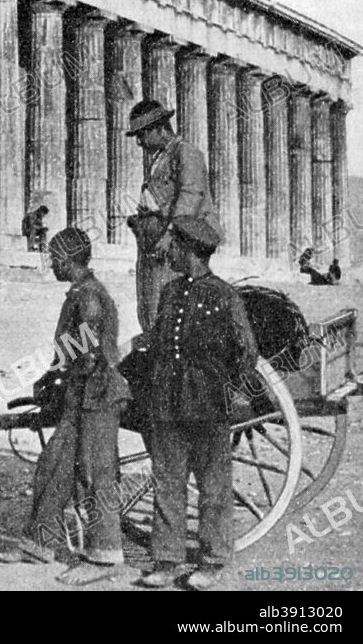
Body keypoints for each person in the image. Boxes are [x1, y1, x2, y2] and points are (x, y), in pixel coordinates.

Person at [137, 216, 257, 591]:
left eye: (173, 246)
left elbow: (247, 352)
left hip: (208, 406)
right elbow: (159, 342)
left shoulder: (224, 295)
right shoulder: (171, 291)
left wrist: (226, 389)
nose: (167, 251)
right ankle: (167, 560)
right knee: (168, 484)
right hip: (168, 404)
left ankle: (213, 561)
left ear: (189, 250)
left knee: (214, 488)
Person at [22, 228, 131, 584]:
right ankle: (41, 543)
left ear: (69, 261)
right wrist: (50, 377)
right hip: (79, 395)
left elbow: (90, 349)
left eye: (54, 259)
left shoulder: (90, 296)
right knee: (54, 464)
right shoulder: (79, 293)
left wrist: (60, 377)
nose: (51, 264)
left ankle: (105, 556)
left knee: (97, 475)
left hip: (98, 394)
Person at [126, 100, 221, 332]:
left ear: (159, 129)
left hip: (176, 243)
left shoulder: (187, 153)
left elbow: (191, 195)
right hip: (155, 241)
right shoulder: (161, 155)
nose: (139, 142)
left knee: (168, 305)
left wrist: (170, 233)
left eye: (142, 135)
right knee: (151, 303)